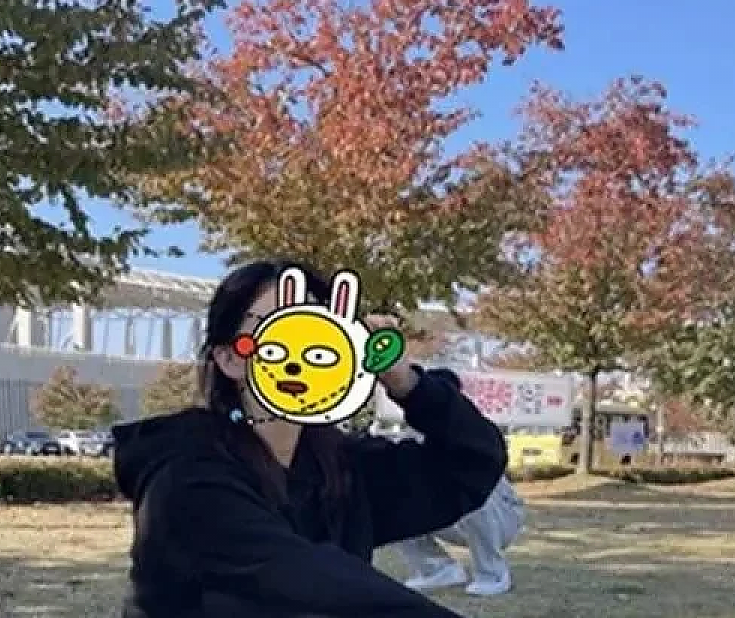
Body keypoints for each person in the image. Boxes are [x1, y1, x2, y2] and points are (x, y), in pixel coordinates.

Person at [111, 260, 507, 618]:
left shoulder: (338, 467)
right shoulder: (185, 476)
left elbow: (473, 462)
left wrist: (408, 384)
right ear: (229, 359)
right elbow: (314, 583)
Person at [393, 370, 525, 596]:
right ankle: (436, 569)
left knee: (471, 490)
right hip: (453, 515)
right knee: (395, 501)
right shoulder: (413, 434)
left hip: (500, 517)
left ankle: (493, 573)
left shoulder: (473, 429)